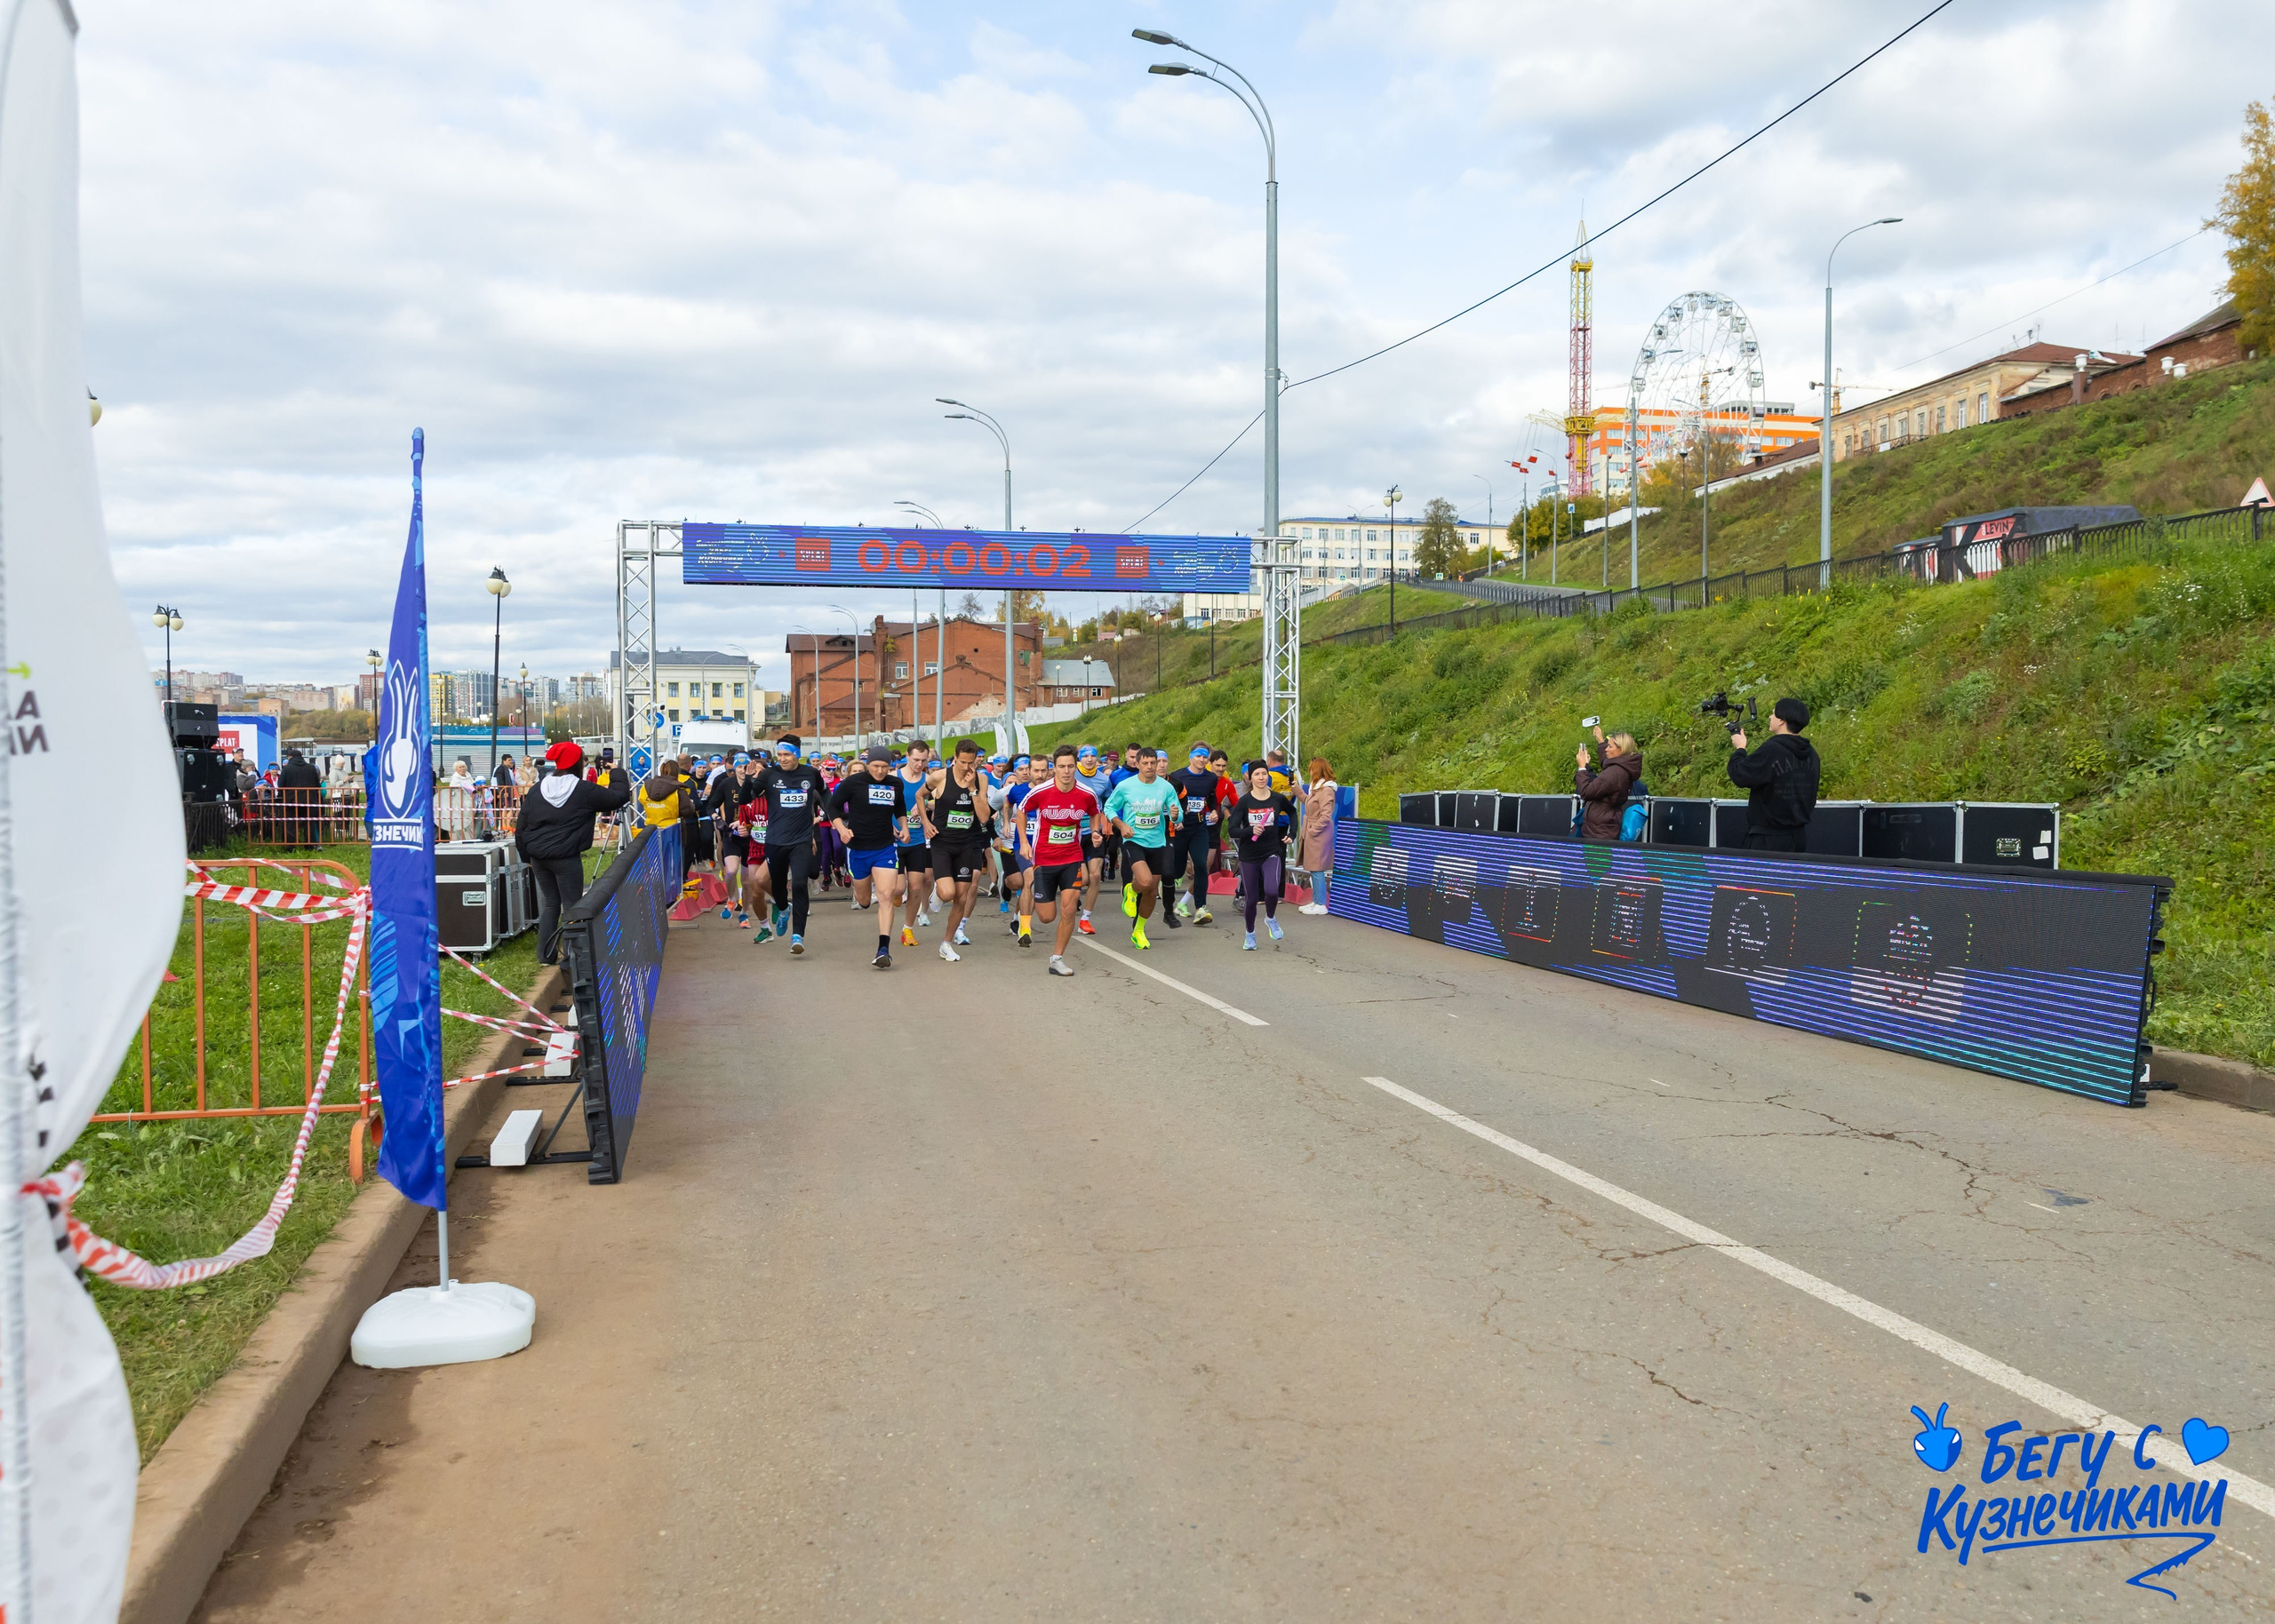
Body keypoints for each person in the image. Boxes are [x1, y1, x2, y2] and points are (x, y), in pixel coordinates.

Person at [515, 741, 633, 965]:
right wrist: (616, 772)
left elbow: (521, 827)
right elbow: (618, 797)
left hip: (538, 857)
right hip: (566, 858)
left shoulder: (537, 789)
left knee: (550, 904)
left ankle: (545, 955)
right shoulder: (583, 790)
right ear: (579, 763)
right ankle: (572, 959)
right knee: (572, 906)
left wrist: (525, 856)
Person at [1020, 744, 1101, 978]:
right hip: (1044, 859)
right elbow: (1022, 811)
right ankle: (1035, 888)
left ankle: (1057, 959)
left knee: (1069, 910)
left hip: (1072, 857)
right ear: (1053, 768)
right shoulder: (1041, 792)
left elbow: (1095, 812)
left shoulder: (1086, 793)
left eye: (1070, 766)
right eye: (1061, 766)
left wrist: (1096, 831)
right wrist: (1024, 842)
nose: (1066, 771)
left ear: (1076, 767)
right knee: (1047, 917)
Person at [829, 745, 909, 968]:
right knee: (865, 901)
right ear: (868, 764)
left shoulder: (895, 784)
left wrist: (904, 826)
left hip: (885, 847)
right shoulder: (853, 782)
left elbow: (899, 807)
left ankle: (883, 949)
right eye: (875, 766)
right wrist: (842, 829)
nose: (880, 771)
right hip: (858, 849)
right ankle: (861, 892)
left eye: (885, 767)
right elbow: (832, 807)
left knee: (886, 896)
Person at [754, 735, 831, 953]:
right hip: (775, 840)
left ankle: (798, 936)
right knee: (779, 887)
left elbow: (825, 794)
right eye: (779, 755)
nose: (782, 759)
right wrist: (753, 779)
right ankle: (782, 908)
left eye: (786, 754)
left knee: (798, 883)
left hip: (802, 840)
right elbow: (747, 797)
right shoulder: (770, 774)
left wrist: (831, 815)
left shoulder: (810, 774)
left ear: (797, 754)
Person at [1102, 748, 1181, 949]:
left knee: (1152, 890)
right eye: (1145, 763)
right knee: (1145, 881)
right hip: (1134, 839)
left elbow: (1178, 814)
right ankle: (1130, 889)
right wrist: (1122, 826)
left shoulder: (1166, 787)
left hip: (1157, 842)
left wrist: (1175, 815)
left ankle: (1139, 930)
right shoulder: (1126, 786)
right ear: (1137, 764)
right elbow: (1109, 808)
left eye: (1153, 763)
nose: (1150, 767)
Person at [927, 738, 993, 962]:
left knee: (961, 898)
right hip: (942, 842)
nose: (966, 767)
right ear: (954, 758)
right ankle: (938, 891)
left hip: (967, 843)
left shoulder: (981, 780)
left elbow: (983, 817)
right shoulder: (940, 776)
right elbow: (919, 796)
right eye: (962, 762)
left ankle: (946, 943)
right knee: (947, 893)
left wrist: (972, 788)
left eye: (971, 763)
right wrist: (926, 823)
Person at [1727, 698, 1821, 852]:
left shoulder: (1772, 750)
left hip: (1767, 840)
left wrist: (1740, 748)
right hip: (1798, 838)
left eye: (1773, 713)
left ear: (1782, 720)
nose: (1770, 717)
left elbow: (1740, 774)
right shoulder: (1812, 755)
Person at [1231, 762, 1296, 950]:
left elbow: (1292, 812)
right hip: (1249, 855)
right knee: (1251, 899)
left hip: (1271, 852)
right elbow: (1233, 830)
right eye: (1257, 774)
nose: (1261, 777)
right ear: (1250, 778)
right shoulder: (1245, 802)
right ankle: (1250, 934)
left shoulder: (1277, 799)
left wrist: (1292, 834)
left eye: (1264, 774)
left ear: (1268, 776)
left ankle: (1270, 918)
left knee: (1272, 891)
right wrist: (1250, 830)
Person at [1165, 745, 1220, 926]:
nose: (1201, 760)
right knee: (1178, 869)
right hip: (1180, 828)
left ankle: (1200, 908)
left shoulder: (1211, 778)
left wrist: (1213, 810)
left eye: (1204, 757)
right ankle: (1167, 893)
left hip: (1199, 827)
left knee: (1201, 865)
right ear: (1190, 758)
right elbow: (1168, 799)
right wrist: (1178, 813)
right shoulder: (1177, 777)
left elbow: (1211, 797)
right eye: (1198, 756)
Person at [893, 741, 935, 948]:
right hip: (894, 840)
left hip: (918, 839)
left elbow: (940, 800)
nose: (920, 764)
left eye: (924, 760)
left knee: (916, 887)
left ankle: (907, 930)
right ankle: (896, 894)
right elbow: (881, 805)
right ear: (907, 756)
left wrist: (925, 804)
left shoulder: (929, 780)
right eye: (916, 759)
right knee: (899, 889)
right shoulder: (894, 777)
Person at [1072, 744, 1114, 935]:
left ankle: (1085, 919)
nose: (1089, 759)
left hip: (1094, 832)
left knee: (1095, 876)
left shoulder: (1104, 780)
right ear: (1079, 758)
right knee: (1084, 878)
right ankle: (1071, 894)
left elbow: (1110, 801)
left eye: (1092, 756)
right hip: (1072, 833)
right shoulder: (1071, 775)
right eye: (1085, 756)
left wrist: (1111, 820)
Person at [1575, 730, 1644, 843]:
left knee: (1596, 854)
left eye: (1610, 747)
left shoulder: (1614, 773)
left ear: (1621, 749)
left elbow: (1586, 792)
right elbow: (1606, 763)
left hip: (1599, 831)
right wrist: (1600, 741)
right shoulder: (1623, 767)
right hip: (1607, 825)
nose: (1606, 749)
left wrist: (1582, 768)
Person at [1297, 759, 1337, 914]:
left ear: (1317, 770)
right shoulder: (1316, 789)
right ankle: (1316, 901)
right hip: (1314, 831)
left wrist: (1313, 830)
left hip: (1319, 833)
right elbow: (1309, 803)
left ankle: (1321, 904)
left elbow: (1326, 816)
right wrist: (1296, 790)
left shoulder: (1326, 790)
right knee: (1314, 868)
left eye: (1311, 769)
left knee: (1317, 868)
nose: (1310, 772)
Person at [278, 748, 322, 849]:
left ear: (290, 757)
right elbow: (317, 785)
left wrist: (282, 796)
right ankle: (309, 845)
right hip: (309, 800)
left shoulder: (287, 769)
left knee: (290, 823)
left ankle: (290, 846)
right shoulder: (311, 768)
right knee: (309, 823)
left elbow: (281, 785)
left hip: (292, 800)